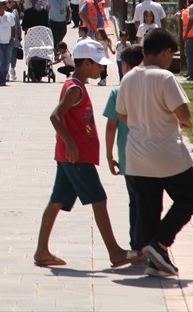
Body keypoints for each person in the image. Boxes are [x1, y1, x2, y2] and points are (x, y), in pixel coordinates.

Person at [33, 40, 141, 270]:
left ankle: (42, 251)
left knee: (56, 201)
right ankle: (115, 252)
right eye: (98, 64)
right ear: (85, 63)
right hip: (77, 157)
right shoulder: (75, 89)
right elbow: (55, 116)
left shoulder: (76, 85)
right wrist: (70, 143)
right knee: (99, 200)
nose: (102, 69)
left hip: (70, 156)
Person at [115, 28, 193, 279]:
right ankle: (161, 242)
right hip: (166, 154)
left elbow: (121, 114)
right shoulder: (165, 78)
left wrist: (142, 119)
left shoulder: (128, 78)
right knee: (188, 198)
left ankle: (156, 261)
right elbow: (184, 114)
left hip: (137, 155)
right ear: (164, 52)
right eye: (171, 55)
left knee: (149, 208)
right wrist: (178, 120)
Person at [103, 44, 146, 252]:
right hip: (153, 153)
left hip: (129, 156)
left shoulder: (118, 91)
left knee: (135, 201)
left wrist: (109, 154)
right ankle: (151, 242)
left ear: (125, 66)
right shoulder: (153, 87)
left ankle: (137, 244)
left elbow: (111, 127)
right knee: (151, 200)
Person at [180, 0, 193, 80]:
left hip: (189, 36)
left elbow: (183, 18)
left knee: (190, 56)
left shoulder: (185, 11)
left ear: (188, 4)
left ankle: (191, 74)